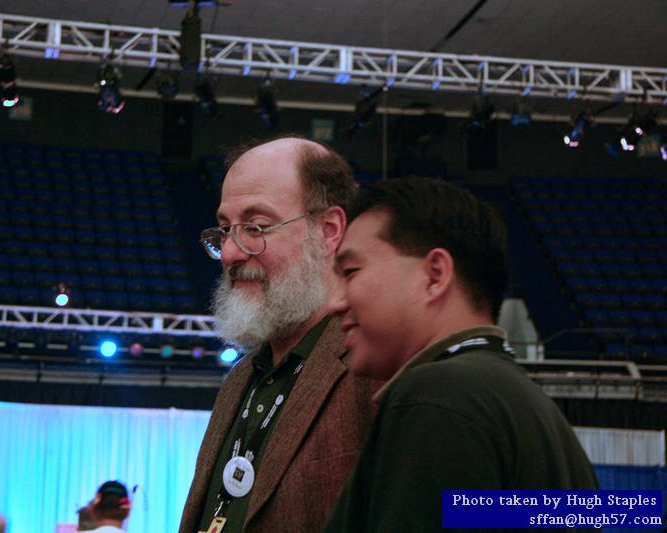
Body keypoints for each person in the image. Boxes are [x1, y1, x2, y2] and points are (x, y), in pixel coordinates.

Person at [323, 176, 598, 532]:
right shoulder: (523, 404)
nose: (335, 302)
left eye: (351, 271)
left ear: (435, 275)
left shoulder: (439, 394)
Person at [180, 135, 379, 533]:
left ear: (328, 230)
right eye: (224, 229)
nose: (232, 253)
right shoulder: (241, 379)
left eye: (255, 226)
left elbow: (506, 511)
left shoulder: (381, 367)